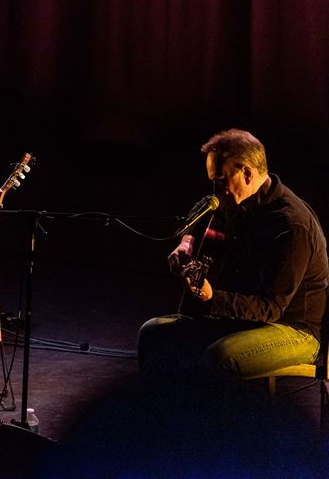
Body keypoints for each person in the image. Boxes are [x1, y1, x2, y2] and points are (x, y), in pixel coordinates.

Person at [137, 129, 328, 388]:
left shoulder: (292, 225)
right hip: (245, 318)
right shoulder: (238, 201)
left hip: (292, 328)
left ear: (247, 173)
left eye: (220, 181)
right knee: (153, 333)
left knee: (220, 357)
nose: (215, 190)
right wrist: (187, 241)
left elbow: (270, 308)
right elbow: (207, 209)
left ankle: (215, 426)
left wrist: (212, 298)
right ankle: (158, 417)